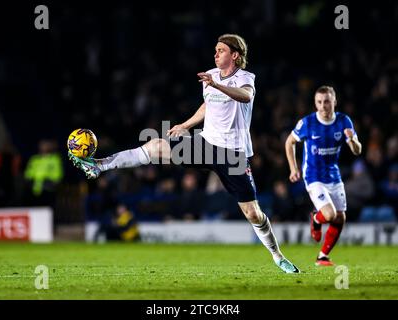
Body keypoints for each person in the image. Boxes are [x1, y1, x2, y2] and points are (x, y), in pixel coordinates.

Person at [69, 34, 299, 273]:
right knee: (156, 145)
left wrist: (217, 84)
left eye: (221, 50)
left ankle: (277, 255)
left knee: (253, 213)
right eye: (215, 49)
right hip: (206, 144)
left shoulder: (245, 78)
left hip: (233, 155)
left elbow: (245, 96)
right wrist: (186, 125)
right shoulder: (210, 76)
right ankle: (99, 165)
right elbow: (209, 104)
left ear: (235, 55)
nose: (215, 53)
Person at [285, 85, 362, 266]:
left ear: (334, 101)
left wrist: (352, 140)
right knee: (329, 214)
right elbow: (289, 142)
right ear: (315, 103)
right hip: (313, 175)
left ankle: (322, 257)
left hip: (333, 175)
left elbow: (357, 151)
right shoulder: (308, 123)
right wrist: (293, 168)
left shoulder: (344, 121)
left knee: (340, 218)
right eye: (319, 102)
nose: (323, 106)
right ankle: (316, 218)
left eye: (326, 101)